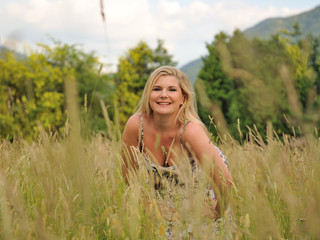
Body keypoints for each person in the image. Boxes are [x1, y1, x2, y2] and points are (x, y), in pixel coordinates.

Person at [121, 65, 232, 219]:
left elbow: (225, 181)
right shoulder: (136, 125)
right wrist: (146, 203)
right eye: (157, 89)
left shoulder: (191, 131)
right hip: (163, 204)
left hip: (201, 203)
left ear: (183, 98)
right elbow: (128, 172)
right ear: (148, 95)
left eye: (172, 90)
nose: (163, 95)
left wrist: (215, 213)